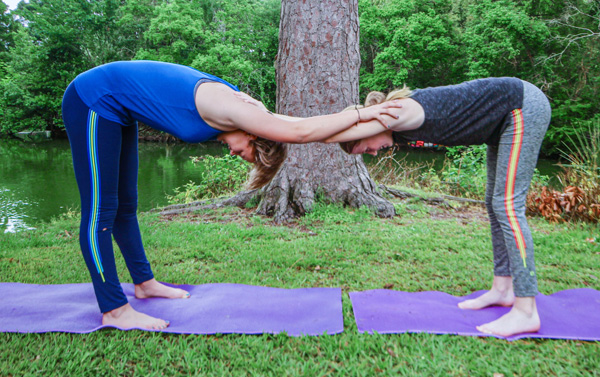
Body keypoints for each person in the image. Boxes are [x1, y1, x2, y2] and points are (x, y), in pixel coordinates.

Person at [62, 60, 402, 331]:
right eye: (246, 155)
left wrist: (369, 123)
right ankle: (115, 311)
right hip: (94, 98)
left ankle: (144, 283)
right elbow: (300, 132)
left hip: (118, 108)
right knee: (101, 213)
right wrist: (363, 113)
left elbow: (307, 128)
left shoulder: (248, 116)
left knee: (126, 207)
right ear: (255, 137)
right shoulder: (236, 112)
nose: (234, 154)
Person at [325, 77, 551, 337]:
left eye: (366, 148)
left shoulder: (398, 111)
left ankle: (526, 310)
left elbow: (329, 134)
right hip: (499, 122)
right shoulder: (397, 130)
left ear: (365, 128)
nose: (374, 153)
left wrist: (292, 131)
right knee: (494, 204)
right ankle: (503, 289)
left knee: (508, 206)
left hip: (520, 105)